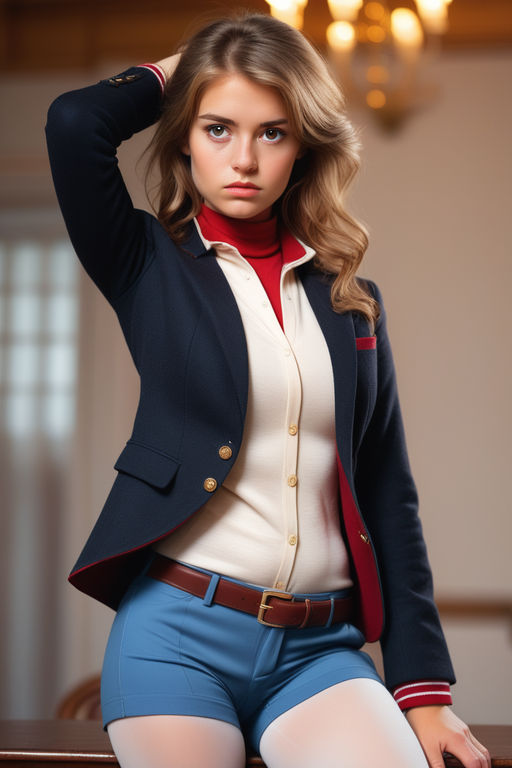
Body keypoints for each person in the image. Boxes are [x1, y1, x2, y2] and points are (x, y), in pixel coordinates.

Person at [46, 11, 490, 768]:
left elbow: (389, 494)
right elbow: (75, 123)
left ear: (303, 146)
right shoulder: (148, 265)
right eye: (218, 128)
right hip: (176, 639)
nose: (243, 158)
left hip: (320, 651)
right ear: (184, 135)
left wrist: (425, 690)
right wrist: (193, 62)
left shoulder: (353, 301)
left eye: (272, 132)